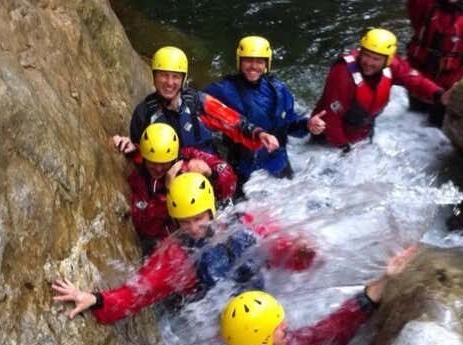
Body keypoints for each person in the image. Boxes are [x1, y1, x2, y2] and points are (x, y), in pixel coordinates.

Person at [52, 173, 316, 324]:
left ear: (212, 211)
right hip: (224, 325)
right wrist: (95, 299)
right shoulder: (176, 257)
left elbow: (278, 250)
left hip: (264, 304)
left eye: (199, 218)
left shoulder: (243, 222)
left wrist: (300, 253)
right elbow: (138, 292)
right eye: (185, 221)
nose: (192, 227)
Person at [201, 245, 419, 345]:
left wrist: (379, 287)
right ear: (259, 342)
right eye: (276, 327)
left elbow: (324, 335)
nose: (285, 327)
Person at [112, 46, 280, 157]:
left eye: (175, 77)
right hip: (171, 173)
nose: (169, 83)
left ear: (183, 79)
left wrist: (260, 134)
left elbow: (234, 122)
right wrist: (133, 149)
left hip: (205, 166)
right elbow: (144, 155)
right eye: (163, 75)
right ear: (154, 77)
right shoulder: (144, 113)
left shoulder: (198, 102)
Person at [204, 36, 326, 183]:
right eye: (248, 60)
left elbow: (289, 124)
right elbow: (196, 104)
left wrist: (307, 125)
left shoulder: (278, 90)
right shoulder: (223, 90)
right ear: (240, 62)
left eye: (259, 61)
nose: (253, 66)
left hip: (278, 164)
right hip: (244, 171)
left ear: (266, 64)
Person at [311, 28, 445, 149]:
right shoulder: (343, 74)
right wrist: (344, 148)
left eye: (376, 59)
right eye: (366, 55)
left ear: (387, 60)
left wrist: (439, 94)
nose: (369, 62)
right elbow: (331, 118)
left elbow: (414, 80)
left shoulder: (392, 65)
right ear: (360, 51)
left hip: (362, 132)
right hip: (329, 140)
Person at [128, 123, 237, 247]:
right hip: (179, 238)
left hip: (206, 222)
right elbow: (146, 227)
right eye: (152, 163)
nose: (158, 169)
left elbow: (230, 181)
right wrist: (168, 194)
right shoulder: (140, 179)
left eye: (164, 163)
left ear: (174, 157)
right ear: (144, 159)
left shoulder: (188, 156)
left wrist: (212, 173)